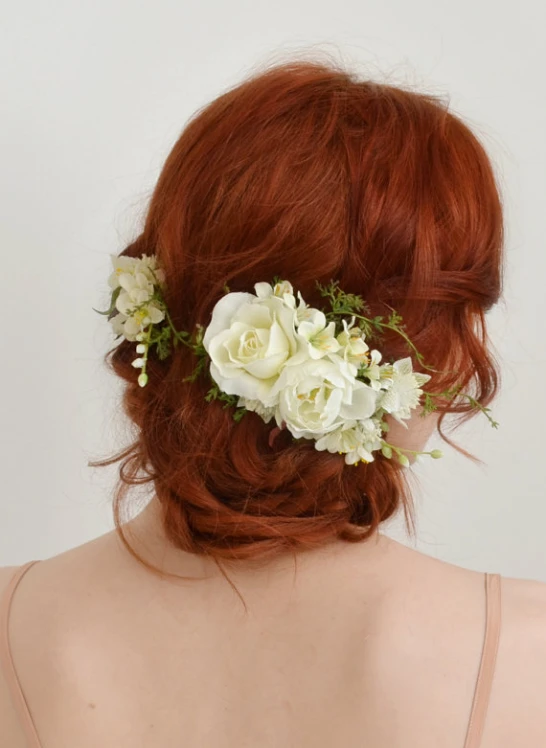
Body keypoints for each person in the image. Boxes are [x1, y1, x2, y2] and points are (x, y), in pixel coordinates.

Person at [1, 57, 545, 748]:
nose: (473, 360)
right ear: (369, 343)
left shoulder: (14, 624)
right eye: (454, 306)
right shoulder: (526, 651)